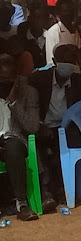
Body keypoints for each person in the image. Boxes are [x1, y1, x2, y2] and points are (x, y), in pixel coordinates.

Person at [30, 44, 81, 211]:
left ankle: (65, 190)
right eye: (64, 60)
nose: (68, 64)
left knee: (65, 150)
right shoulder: (40, 78)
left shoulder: (78, 81)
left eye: (72, 60)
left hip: (67, 128)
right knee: (40, 150)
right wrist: (37, 124)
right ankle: (46, 193)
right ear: (55, 61)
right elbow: (24, 89)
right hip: (43, 126)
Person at [0, 54, 40, 221]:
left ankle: (21, 204)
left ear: (17, 77)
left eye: (10, 77)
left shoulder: (29, 93)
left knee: (13, 147)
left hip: (15, 141)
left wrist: (14, 103)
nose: (6, 81)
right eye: (2, 78)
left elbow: (33, 127)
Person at [44, 0, 81, 65]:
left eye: (71, 11)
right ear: (58, 14)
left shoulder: (80, 31)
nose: (68, 14)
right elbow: (51, 61)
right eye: (65, 11)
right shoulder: (53, 32)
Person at [17, 0, 49, 69]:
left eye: (38, 4)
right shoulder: (22, 29)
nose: (35, 6)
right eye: (32, 4)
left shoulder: (50, 31)